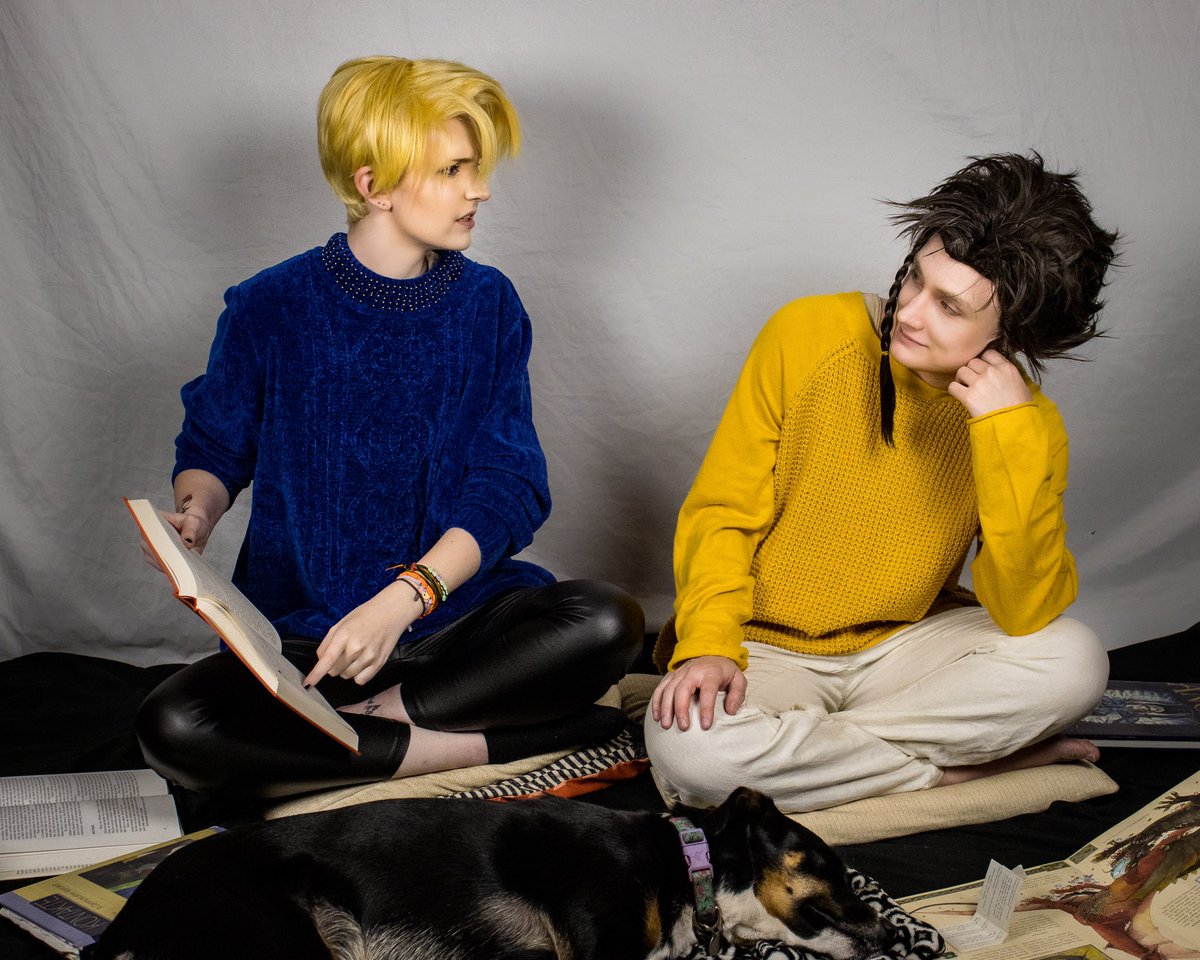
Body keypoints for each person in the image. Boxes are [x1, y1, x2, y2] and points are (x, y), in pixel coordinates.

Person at [135, 56, 643, 798]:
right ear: (373, 186)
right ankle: (467, 745)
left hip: (452, 622)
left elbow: (508, 486)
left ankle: (357, 732)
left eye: (477, 167)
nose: (480, 188)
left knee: (606, 622)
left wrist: (403, 600)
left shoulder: (489, 304)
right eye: (453, 170)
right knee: (174, 725)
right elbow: (215, 446)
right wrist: (195, 514)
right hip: (308, 639)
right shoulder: (269, 304)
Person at [645, 152, 1118, 813]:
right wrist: (705, 647)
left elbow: (1025, 610)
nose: (912, 312)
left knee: (1075, 661)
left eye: (949, 306)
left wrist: (1005, 434)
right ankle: (947, 772)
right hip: (763, 647)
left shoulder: (1027, 422)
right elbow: (723, 511)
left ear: (1012, 332)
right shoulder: (807, 334)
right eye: (916, 277)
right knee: (694, 751)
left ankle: (819, 759)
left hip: (905, 651)